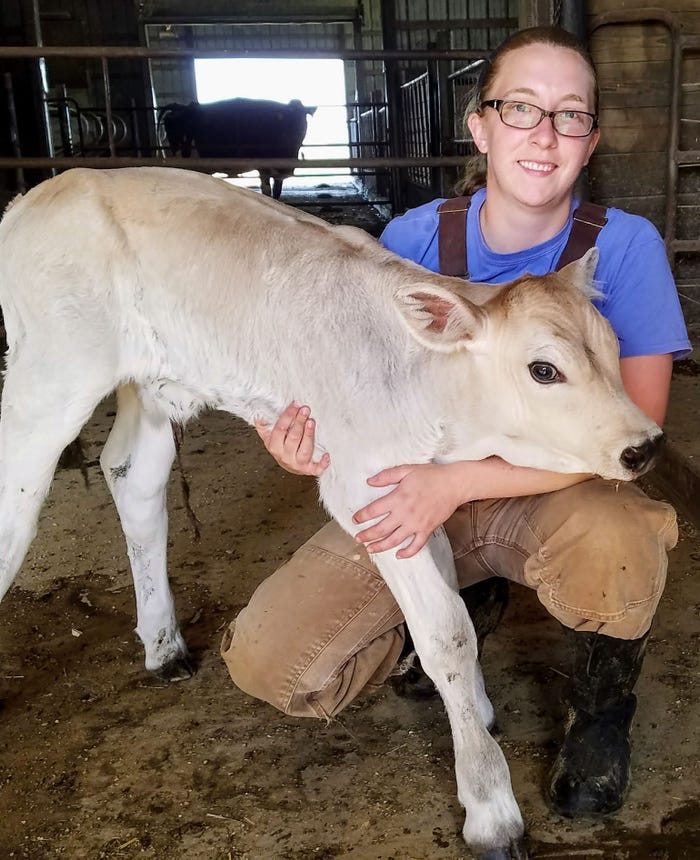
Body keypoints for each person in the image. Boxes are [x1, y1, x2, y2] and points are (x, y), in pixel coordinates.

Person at [220, 25, 691, 819]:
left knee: (621, 542)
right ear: (480, 125)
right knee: (277, 664)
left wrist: (458, 481)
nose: (544, 134)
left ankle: (603, 709)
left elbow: (633, 430)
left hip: (546, 485)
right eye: (521, 109)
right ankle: (451, 607)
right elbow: (344, 393)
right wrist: (302, 444)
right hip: (413, 487)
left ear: (591, 139)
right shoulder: (408, 245)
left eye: (570, 115)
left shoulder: (621, 248)